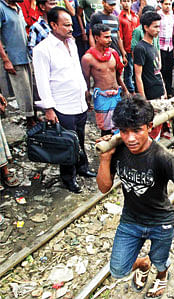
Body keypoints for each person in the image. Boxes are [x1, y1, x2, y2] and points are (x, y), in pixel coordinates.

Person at [96, 98, 174, 299]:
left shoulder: (163, 158)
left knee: (160, 260)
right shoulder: (118, 150)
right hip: (131, 221)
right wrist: (105, 158)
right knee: (118, 270)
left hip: (160, 222)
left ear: (149, 127)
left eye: (137, 130)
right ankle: (143, 264)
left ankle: (162, 275)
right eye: (124, 131)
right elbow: (104, 188)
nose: (130, 138)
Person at [33, 7, 96, 194]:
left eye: (71, 24)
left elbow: (77, 69)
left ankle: (82, 168)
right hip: (62, 105)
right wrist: (49, 109)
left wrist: (85, 90)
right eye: (66, 25)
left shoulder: (72, 43)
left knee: (80, 138)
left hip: (78, 102)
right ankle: (68, 178)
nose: (71, 28)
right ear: (53, 25)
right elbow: (42, 82)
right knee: (67, 143)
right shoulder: (43, 50)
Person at [82, 24, 128, 136]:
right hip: (102, 97)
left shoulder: (113, 54)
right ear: (97, 38)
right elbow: (85, 81)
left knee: (120, 125)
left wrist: (125, 90)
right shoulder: (87, 58)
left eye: (110, 37)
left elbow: (117, 75)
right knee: (106, 130)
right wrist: (87, 99)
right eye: (106, 37)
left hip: (116, 94)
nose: (110, 40)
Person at [0, 0, 36, 128]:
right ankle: (30, 122)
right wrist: (6, 60)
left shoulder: (18, 7)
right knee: (23, 91)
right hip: (13, 57)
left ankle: (33, 118)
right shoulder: (1, 8)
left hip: (25, 55)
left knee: (31, 90)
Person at [134, 11, 165, 101]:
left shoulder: (153, 46)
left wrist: (164, 90)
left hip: (159, 92)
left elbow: (158, 71)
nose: (158, 30)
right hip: (149, 95)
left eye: (159, 26)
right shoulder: (140, 48)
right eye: (155, 27)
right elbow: (138, 76)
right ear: (146, 27)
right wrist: (143, 100)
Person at [89, 0, 127, 64]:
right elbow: (91, 35)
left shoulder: (116, 18)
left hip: (116, 52)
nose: (112, 7)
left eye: (114, 5)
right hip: (102, 52)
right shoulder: (96, 16)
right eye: (110, 5)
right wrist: (94, 51)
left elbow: (118, 37)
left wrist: (123, 53)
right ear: (103, 3)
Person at [118, 0, 139, 94]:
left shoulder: (135, 17)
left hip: (137, 49)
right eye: (124, 1)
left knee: (137, 70)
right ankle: (130, 91)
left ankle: (137, 89)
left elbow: (139, 33)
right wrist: (123, 52)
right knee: (129, 72)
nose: (126, 3)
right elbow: (120, 37)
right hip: (127, 49)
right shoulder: (120, 18)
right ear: (121, 3)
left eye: (128, 1)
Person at [158, 0, 174, 97]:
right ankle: (162, 92)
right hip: (160, 47)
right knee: (161, 70)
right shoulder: (158, 15)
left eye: (169, 4)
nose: (168, 6)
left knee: (169, 70)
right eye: (166, 4)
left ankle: (169, 91)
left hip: (170, 47)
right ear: (161, 4)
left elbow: (172, 33)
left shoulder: (172, 16)